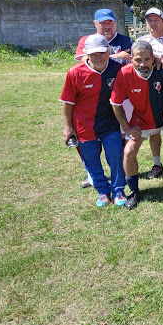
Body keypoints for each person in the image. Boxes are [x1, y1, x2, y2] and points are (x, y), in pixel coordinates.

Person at [110, 40, 163, 208]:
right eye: (138, 60)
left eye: (146, 59)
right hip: (140, 121)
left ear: (153, 58)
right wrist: (126, 127)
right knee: (128, 152)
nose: (142, 64)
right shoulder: (124, 73)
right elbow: (115, 103)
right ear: (131, 59)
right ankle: (134, 191)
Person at [60, 34, 126, 207]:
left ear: (109, 51)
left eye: (102, 52)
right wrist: (68, 127)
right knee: (91, 161)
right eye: (93, 53)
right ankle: (103, 192)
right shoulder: (75, 73)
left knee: (116, 157)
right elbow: (67, 102)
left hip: (111, 124)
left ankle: (119, 190)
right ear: (86, 53)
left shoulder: (119, 67)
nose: (98, 57)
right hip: (84, 126)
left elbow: (141, 62)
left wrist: (158, 60)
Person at [73, 8, 134, 187]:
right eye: (103, 23)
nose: (107, 26)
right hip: (91, 97)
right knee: (91, 141)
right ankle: (92, 173)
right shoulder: (86, 40)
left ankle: (120, 172)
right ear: (95, 24)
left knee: (117, 137)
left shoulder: (125, 40)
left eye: (110, 22)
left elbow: (131, 59)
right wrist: (116, 55)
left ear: (115, 23)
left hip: (117, 96)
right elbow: (83, 59)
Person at [136, 7, 163, 179]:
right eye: (150, 20)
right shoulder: (140, 40)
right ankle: (157, 163)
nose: (153, 23)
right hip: (146, 92)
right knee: (153, 131)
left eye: (156, 20)